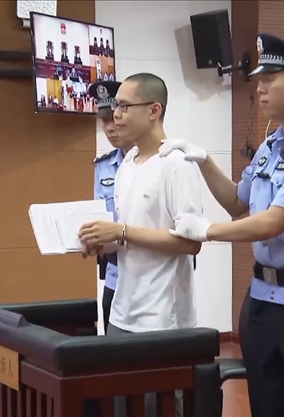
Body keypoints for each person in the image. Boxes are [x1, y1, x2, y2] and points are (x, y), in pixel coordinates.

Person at [160, 34, 284, 417]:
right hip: (263, 300)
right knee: (267, 405)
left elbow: (274, 221)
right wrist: (204, 162)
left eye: (269, 79)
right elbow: (238, 202)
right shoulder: (270, 145)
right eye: (259, 80)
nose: (259, 88)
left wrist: (207, 231)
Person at [78, 73, 203, 417]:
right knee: (119, 406)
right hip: (123, 311)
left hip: (162, 318)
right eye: (115, 107)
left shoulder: (177, 164)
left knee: (159, 407)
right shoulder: (126, 166)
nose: (116, 115)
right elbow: (128, 236)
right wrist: (102, 242)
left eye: (124, 106)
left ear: (154, 110)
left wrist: (120, 231)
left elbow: (191, 242)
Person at [88, 80, 135, 334]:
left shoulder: (162, 161)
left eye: (113, 118)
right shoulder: (103, 166)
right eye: (104, 121)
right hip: (115, 276)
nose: (109, 128)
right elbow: (99, 216)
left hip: (149, 278)